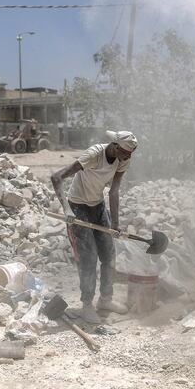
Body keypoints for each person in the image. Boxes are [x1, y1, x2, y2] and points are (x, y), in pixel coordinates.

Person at [51, 130, 137, 323]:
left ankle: (105, 300)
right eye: (125, 152)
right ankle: (87, 306)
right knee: (88, 258)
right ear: (115, 146)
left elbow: (114, 191)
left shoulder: (123, 158)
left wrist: (115, 223)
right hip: (77, 207)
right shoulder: (93, 155)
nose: (128, 157)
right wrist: (66, 210)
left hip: (97, 206)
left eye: (131, 153)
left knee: (109, 255)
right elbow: (57, 177)